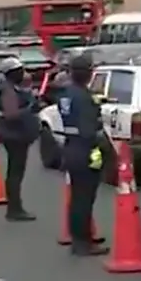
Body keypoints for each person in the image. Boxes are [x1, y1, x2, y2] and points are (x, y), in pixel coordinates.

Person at [58, 54, 109, 256]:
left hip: (71, 147)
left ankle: (79, 238)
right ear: (89, 74)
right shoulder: (85, 97)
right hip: (86, 150)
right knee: (84, 199)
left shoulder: (66, 94)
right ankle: (82, 242)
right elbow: (90, 131)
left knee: (77, 197)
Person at [0, 56, 38, 221]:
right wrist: (30, 108)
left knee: (16, 172)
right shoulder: (8, 90)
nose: (23, 73)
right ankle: (14, 209)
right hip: (14, 136)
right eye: (20, 71)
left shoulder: (13, 87)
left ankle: (15, 207)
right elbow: (11, 114)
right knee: (15, 172)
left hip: (17, 135)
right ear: (11, 73)